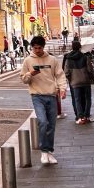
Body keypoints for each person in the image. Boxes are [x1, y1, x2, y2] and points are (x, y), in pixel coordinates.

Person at [21, 35, 67, 165]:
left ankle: (49, 151)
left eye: (39, 48)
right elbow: (24, 79)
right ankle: (43, 151)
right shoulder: (28, 61)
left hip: (51, 95)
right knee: (42, 122)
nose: (37, 50)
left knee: (51, 125)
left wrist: (63, 88)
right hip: (37, 96)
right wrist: (30, 74)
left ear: (43, 47)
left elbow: (60, 75)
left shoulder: (52, 60)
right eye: (35, 48)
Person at [63, 39, 94, 124]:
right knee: (87, 99)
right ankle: (86, 115)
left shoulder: (68, 59)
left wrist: (71, 79)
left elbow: (66, 72)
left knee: (77, 99)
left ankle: (80, 117)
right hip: (85, 81)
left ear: (72, 47)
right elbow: (90, 70)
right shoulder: (85, 57)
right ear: (80, 47)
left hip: (74, 82)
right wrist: (90, 77)